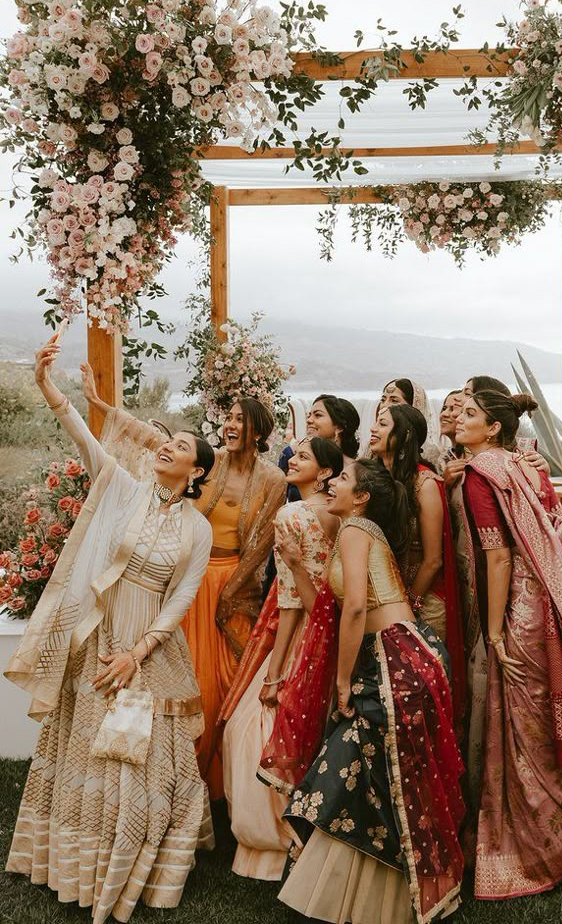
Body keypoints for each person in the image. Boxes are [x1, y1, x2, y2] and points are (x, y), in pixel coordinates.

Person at [6, 335, 216, 924]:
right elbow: (82, 434)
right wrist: (49, 386)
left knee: (140, 758)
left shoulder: (197, 531)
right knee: (90, 743)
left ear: (195, 471)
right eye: (164, 442)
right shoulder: (125, 487)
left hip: (151, 645)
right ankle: (73, 861)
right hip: (101, 636)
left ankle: (137, 865)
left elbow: (184, 596)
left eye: (176, 447)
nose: (162, 448)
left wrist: (140, 653)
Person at [259, 458, 465, 924]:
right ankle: (364, 898)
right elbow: (330, 614)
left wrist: (342, 682)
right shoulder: (356, 531)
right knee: (364, 769)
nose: (331, 483)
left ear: (363, 496)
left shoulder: (356, 529)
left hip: (395, 663)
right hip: (399, 656)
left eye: (343, 479)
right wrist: (294, 564)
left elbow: (355, 610)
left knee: (382, 772)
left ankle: (383, 896)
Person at [81, 368, 286, 800]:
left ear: (259, 432)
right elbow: (151, 441)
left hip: (232, 588)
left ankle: (216, 789)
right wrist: (102, 408)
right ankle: (170, 779)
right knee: (176, 681)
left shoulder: (273, 480)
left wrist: (229, 596)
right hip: (183, 583)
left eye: (239, 420)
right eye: (228, 417)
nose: (230, 425)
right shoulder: (206, 466)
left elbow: (261, 546)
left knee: (220, 688)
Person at [455, 389, 562, 899]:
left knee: (523, 725)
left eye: (469, 415)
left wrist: (492, 628)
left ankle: (532, 848)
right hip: (560, 600)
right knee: (547, 716)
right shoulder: (528, 464)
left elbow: (498, 557)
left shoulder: (483, 475)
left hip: (523, 612)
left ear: (493, 429)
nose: (458, 420)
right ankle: (559, 831)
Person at [219, 436, 343, 880]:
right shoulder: (344, 514)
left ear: (325, 473)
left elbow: (291, 602)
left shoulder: (291, 515)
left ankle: (273, 839)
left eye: (304, 458)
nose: (292, 460)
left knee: (252, 730)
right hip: (340, 631)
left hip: (306, 636)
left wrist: (273, 673)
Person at [369, 403, 466, 726]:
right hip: (384, 596)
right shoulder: (375, 478)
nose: (373, 430)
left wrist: (408, 602)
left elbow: (434, 558)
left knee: (420, 684)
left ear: (404, 434)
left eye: (382, 424)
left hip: (423, 598)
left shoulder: (424, 484)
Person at [379, 378, 441, 464]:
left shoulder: (429, 452)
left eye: (394, 401)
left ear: (413, 407)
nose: (384, 406)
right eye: (383, 400)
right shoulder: (375, 444)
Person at [438, 388, 465, 467]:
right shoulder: (443, 457)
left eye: (453, 409)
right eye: (444, 408)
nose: (444, 414)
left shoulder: (471, 457)